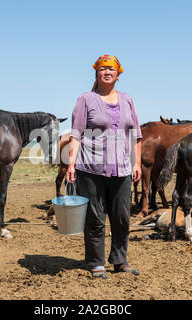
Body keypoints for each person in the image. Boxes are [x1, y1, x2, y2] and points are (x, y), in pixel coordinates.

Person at [66, 54, 143, 279]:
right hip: (91, 168)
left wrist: (136, 162)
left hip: (122, 168)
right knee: (95, 217)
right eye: (102, 69)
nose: (107, 72)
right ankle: (95, 262)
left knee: (122, 216)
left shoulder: (128, 99)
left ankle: (120, 260)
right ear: (96, 74)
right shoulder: (86, 99)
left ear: (118, 75)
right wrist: (71, 162)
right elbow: (76, 134)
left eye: (111, 69)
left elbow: (136, 135)